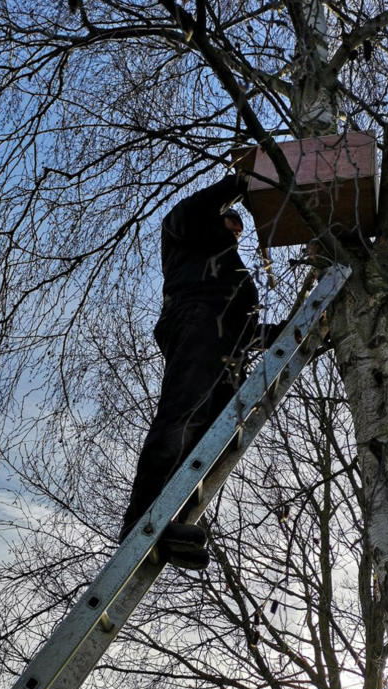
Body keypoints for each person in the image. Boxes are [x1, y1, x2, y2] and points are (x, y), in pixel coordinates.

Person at [119, 174, 284, 568]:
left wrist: (285, 331)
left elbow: (243, 332)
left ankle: (169, 522)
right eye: (232, 224)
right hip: (196, 324)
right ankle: (141, 520)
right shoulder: (185, 229)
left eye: (241, 232)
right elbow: (196, 209)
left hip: (226, 349)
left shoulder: (228, 267)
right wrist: (242, 181)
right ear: (220, 215)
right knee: (183, 417)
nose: (237, 235)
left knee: (219, 440)